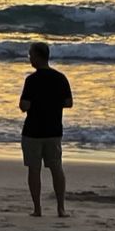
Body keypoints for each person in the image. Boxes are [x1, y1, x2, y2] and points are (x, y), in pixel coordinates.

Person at [19, 41, 72, 217]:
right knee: (57, 168)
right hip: (54, 129)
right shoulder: (60, 77)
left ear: (38, 56)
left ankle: (37, 208)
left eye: (31, 55)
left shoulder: (31, 80)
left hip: (33, 130)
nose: (29, 58)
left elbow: (24, 105)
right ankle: (60, 207)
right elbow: (68, 102)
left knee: (34, 170)